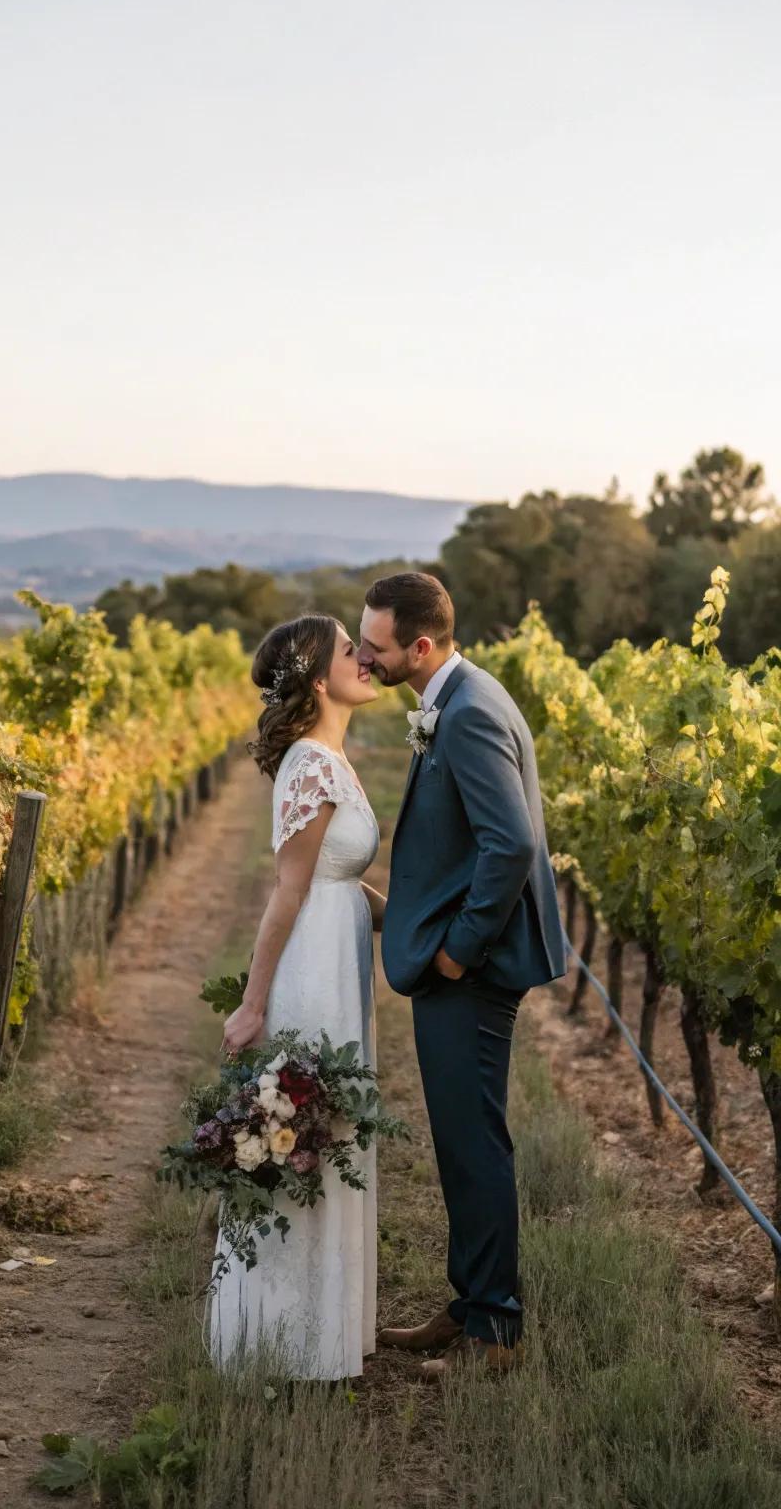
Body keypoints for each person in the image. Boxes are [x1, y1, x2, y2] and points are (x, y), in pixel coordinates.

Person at [358, 571, 565, 1381]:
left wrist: (457, 950)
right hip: (460, 958)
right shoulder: (461, 694)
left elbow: (509, 845)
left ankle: (496, 1332)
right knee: (457, 1139)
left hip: (473, 970)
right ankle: (470, 1302)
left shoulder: (470, 712)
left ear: (419, 645)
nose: (363, 658)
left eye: (375, 646)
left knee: (474, 1144)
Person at [210, 613, 385, 1381]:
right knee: (307, 1137)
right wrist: (253, 1004)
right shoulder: (311, 765)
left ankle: (321, 1335)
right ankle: (282, 1344)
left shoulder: (329, 758)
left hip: (337, 951)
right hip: (312, 965)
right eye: (352, 650)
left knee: (327, 1133)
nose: (366, 659)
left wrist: (414, 924)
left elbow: (337, 881)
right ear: (320, 678)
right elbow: (288, 893)